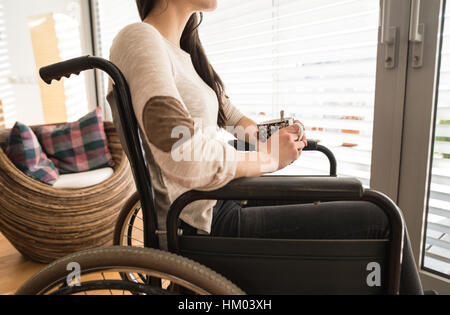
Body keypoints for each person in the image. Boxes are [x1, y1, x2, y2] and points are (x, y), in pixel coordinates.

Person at [108, 0, 423, 294]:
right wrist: (268, 158)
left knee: (356, 203)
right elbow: (185, 154)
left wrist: (273, 136)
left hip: (221, 196)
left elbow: (229, 119)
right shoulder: (140, 38)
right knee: (380, 216)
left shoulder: (184, 54)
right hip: (200, 218)